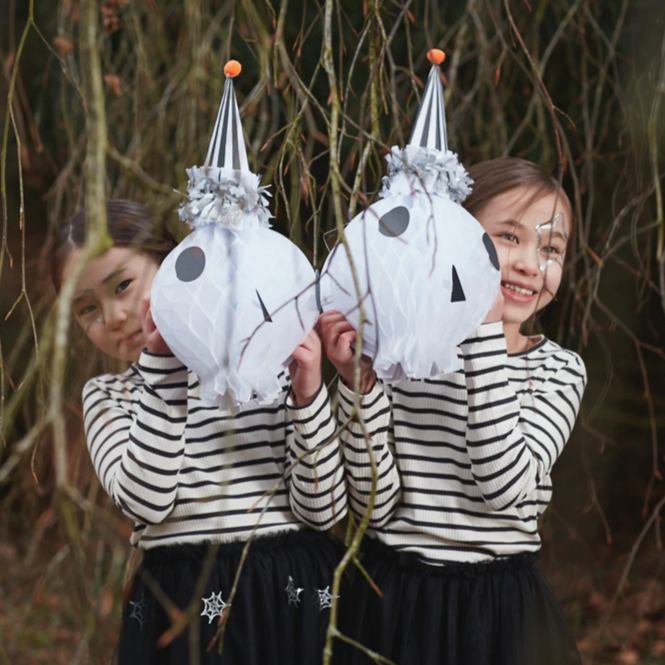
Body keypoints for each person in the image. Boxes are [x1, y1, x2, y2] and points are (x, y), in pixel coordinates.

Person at [51, 199, 347, 665]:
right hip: (183, 602)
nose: (113, 317)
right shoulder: (109, 397)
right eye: (87, 309)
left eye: (123, 285)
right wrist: (164, 369)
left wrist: (308, 397)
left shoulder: (264, 367)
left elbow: (324, 508)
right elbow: (148, 502)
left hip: (289, 590)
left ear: (174, 263)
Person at [321, 157, 586, 665]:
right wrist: (361, 387)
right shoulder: (404, 356)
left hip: (499, 610)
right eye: (508, 237)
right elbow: (373, 504)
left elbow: (504, 487)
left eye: (550, 248)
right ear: (452, 238)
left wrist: (484, 334)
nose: (532, 263)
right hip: (395, 601)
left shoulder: (558, 371)